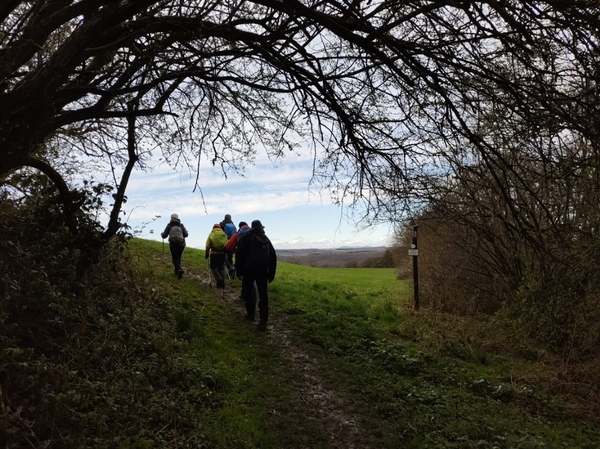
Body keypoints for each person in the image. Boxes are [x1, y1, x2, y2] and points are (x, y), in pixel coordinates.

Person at [235, 220, 277, 330]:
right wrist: (271, 274)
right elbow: (273, 256)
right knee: (263, 294)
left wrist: (238, 271)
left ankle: (250, 314)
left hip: (249, 270)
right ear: (261, 228)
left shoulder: (246, 237)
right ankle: (263, 319)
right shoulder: (265, 238)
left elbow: (239, 255)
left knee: (249, 291)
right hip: (263, 270)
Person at [161, 213, 189, 279]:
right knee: (178, 258)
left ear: (171, 218)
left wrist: (162, 234)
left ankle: (179, 269)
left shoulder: (169, 226)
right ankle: (177, 272)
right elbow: (186, 235)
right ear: (177, 218)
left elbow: (164, 236)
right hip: (181, 244)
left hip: (173, 245)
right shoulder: (181, 225)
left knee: (174, 259)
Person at [205, 223, 228, 288]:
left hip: (214, 253)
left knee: (213, 267)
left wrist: (207, 253)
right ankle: (221, 283)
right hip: (222, 253)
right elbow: (227, 243)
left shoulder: (211, 234)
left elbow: (208, 245)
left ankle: (219, 279)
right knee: (221, 267)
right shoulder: (224, 234)